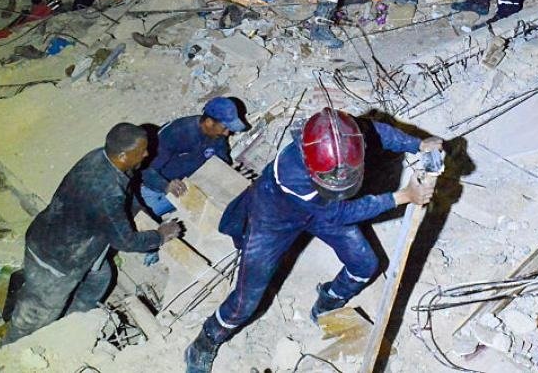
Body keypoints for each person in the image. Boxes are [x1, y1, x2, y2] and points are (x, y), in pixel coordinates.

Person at [183, 108, 441, 373]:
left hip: (323, 208)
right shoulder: (292, 171)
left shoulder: (343, 134)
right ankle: (205, 341)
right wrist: (403, 196)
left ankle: (327, 303)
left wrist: (418, 144)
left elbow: (376, 132)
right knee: (246, 300)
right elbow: (341, 213)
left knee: (365, 264)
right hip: (274, 219)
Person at [3, 123, 182, 343]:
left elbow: (127, 188)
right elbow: (125, 241)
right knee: (35, 316)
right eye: (142, 151)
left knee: (100, 277)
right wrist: (161, 235)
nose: (147, 154)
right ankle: (13, 348)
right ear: (123, 156)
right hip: (55, 262)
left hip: (68, 238)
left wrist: (140, 209)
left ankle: (69, 329)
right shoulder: (106, 191)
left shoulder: (101, 157)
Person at [139, 97, 247, 219]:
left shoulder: (217, 136)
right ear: (209, 122)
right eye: (225, 128)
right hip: (155, 188)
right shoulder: (177, 132)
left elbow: (220, 159)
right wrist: (165, 186)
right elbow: (146, 170)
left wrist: (231, 171)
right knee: (142, 218)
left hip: (186, 186)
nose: (227, 133)